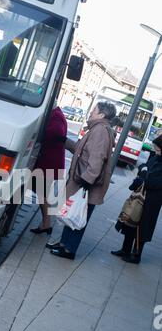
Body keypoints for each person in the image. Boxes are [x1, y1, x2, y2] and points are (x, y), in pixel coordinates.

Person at [49, 102, 116, 260]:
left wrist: (87, 180)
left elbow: (97, 158)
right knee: (71, 211)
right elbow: (82, 149)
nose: (91, 112)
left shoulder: (100, 130)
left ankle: (69, 249)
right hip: (81, 180)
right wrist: (65, 141)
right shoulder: (97, 128)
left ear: (102, 115)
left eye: (94, 110)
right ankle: (64, 243)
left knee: (78, 214)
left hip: (85, 183)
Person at [111, 134, 162, 264]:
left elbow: (156, 182)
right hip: (141, 194)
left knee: (142, 227)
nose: (155, 151)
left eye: (158, 149)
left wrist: (145, 175)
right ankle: (125, 249)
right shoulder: (156, 157)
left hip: (152, 200)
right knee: (130, 220)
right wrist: (143, 171)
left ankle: (136, 255)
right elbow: (143, 166)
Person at [30, 105, 67, 234]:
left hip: (49, 163)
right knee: (41, 193)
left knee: (42, 194)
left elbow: (55, 133)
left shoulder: (56, 115)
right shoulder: (57, 114)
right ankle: (46, 223)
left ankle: (46, 224)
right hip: (48, 162)